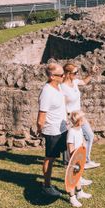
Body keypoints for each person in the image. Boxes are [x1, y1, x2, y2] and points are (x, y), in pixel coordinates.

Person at [61, 62, 101, 170]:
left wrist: (91, 73)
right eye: (75, 72)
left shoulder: (74, 82)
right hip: (71, 117)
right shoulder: (62, 87)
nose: (77, 74)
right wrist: (66, 118)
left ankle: (86, 160)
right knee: (71, 141)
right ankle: (70, 162)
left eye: (77, 72)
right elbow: (61, 103)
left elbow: (84, 81)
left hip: (79, 114)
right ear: (68, 73)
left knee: (90, 136)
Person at [37, 63, 68, 197]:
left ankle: (73, 180)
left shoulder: (58, 86)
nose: (64, 76)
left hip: (62, 128)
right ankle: (46, 185)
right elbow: (41, 117)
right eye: (61, 75)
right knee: (50, 159)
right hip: (52, 131)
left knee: (63, 156)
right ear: (52, 76)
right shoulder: (47, 92)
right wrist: (40, 130)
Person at [66, 111, 93, 207]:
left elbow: (81, 142)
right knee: (71, 179)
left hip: (79, 159)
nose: (85, 120)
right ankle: (72, 198)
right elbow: (70, 147)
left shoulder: (80, 129)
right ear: (80, 121)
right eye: (84, 119)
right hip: (73, 160)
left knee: (78, 176)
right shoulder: (71, 131)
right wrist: (74, 160)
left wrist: (83, 147)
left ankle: (79, 192)